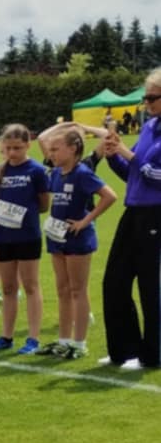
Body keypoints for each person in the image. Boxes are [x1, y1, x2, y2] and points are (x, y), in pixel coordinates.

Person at [98, 70, 161, 370]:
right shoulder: (149, 127)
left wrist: (130, 155)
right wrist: (114, 155)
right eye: (145, 97)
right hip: (134, 211)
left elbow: (155, 175)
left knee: (150, 285)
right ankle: (123, 350)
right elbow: (131, 172)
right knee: (114, 280)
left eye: (152, 97)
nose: (146, 103)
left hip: (156, 213)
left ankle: (153, 354)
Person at [43, 124, 115, 360]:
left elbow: (109, 196)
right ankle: (64, 340)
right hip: (57, 236)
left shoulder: (82, 173)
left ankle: (80, 343)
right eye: (51, 149)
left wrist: (85, 221)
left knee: (77, 290)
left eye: (56, 149)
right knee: (62, 289)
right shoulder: (56, 174)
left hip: (77, 238)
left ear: (73, 148)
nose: (51, 154)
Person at [0, 124, 50, 356]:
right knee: (8, 288)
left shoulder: (37, 171)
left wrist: (24, 214)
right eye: (8, 148)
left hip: (28, 236)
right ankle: (6, 337)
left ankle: (33, 338)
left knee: (30, 286)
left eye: (17, 148)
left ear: (28, 145)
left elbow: (44, 204)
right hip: (3, 237)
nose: (12, 153)